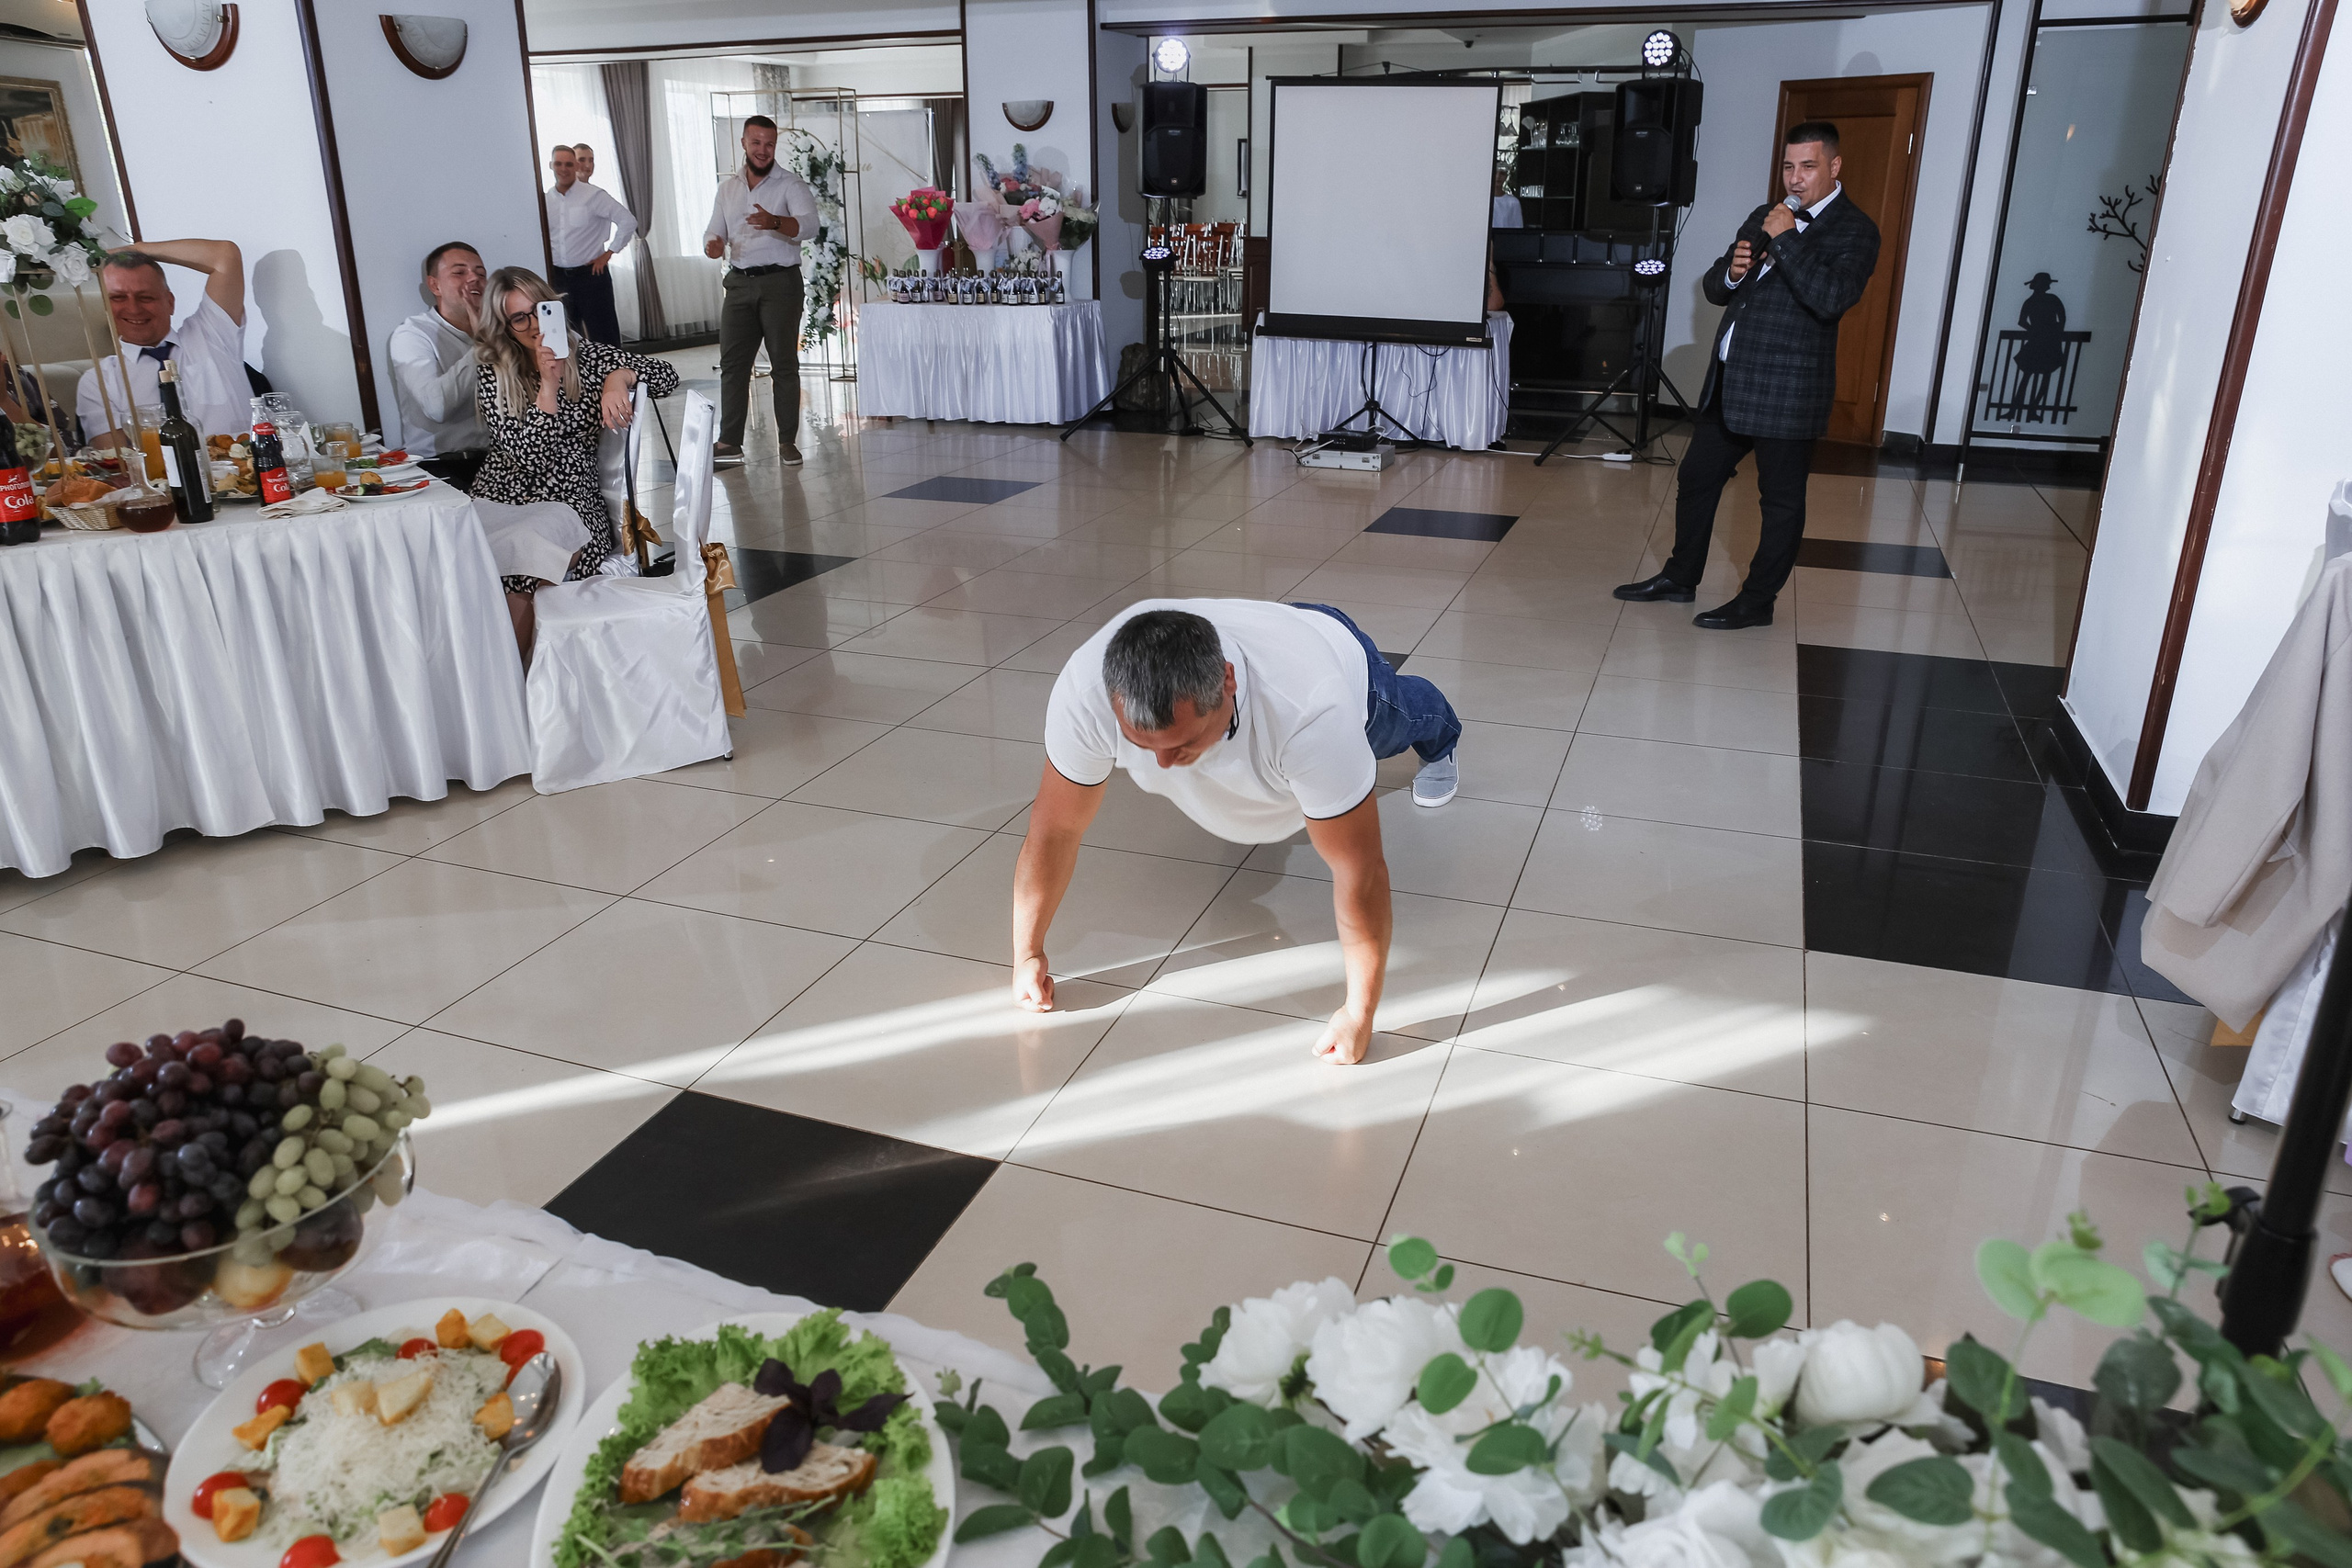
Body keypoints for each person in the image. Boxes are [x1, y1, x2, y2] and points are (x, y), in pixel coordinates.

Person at [1014, 601, 1462, 1066]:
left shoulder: (1311, 713)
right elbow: (1054, 830)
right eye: (1141, 743)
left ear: (1227, 682)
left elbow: (1361, 870)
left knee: (1401, 716)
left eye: (1183, 743)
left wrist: (1359, 1014)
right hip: (1264, 636)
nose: (1161, 764)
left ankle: (1444, 737)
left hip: (1334, 652)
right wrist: (1027, 955)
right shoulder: (1086, 691)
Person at [1615, 121, 1880, 631]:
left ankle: (1758, 600)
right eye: (1788, 167)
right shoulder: (1765, 214)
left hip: (1788, 388)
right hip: (1732, 380)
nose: (1795, 179)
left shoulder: (1855, 229)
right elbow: (1717, 285)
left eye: (1808, 167)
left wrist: (1784, 241)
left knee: (1779, 500)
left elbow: (1830, 300)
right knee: (1696, 477)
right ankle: (1680, 576)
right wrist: (1734, 271)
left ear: (1835, 167)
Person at [468, 265, 679, 660]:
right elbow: (528, 458)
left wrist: (620, 375)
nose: (534, 326)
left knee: (521, 570)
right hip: (503, 498)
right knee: (466, 561)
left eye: (541, 310)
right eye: (519, 317)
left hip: (572, 505)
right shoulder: (494, 372)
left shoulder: (590, 358)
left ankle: (518, 686)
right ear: (504, 327)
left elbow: (668, 376)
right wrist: (547, 385)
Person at [703, 114, 819, 467]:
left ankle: (787, 442)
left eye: (769, 144)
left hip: (780, 284)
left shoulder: (790, 185)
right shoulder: (728, 189)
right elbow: (713, 231)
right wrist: (712, 244)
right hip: (738, 283)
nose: (763, 150)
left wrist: (776, 222)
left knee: (784, 364)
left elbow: (810, 226)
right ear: (743, 144)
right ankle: (730, 442)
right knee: (733, 365)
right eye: (756, 143)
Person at [75, 240, 253, 445]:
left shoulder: (211, 335)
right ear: (105, 307)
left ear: (170, 302)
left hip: (245, 471)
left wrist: (135, 250)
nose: (133, 309)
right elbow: (118, 462)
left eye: (146, 297)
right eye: (118, 298)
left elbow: (225, 255)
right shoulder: (99, 381)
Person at [387, 240, 490, 489]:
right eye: (459, 272)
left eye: (481, 273)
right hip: (441, 467)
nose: (473, 279)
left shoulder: (505, 328)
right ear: (434, 285)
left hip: (500, 462)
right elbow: (437, 407)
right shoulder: (412, 334)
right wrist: (482, 347)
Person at [544, 144, 634, 347]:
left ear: (575, 166)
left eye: (568, 164)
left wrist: (609, 253)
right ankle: (574, 379)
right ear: (551, 165)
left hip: (591, 276)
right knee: (564, 338)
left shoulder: (593, 196)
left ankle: (615, 377)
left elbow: (628, 221)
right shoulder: (545, 199)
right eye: (558, 164)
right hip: (557, 278)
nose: (563, 169)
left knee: (604, 336)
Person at [2013, 273, 2067, 421]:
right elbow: (2061, 320)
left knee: (2034, 377)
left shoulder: (2037, 301)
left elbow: (2062, 319)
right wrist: (2043, 332)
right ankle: (2021, 410)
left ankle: (2027, 410)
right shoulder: (2043, 300)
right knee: (2033, 377)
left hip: (2045, 342)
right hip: (2043, 342)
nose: (2048, 286)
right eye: (2046, 283)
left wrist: (2037, 331)